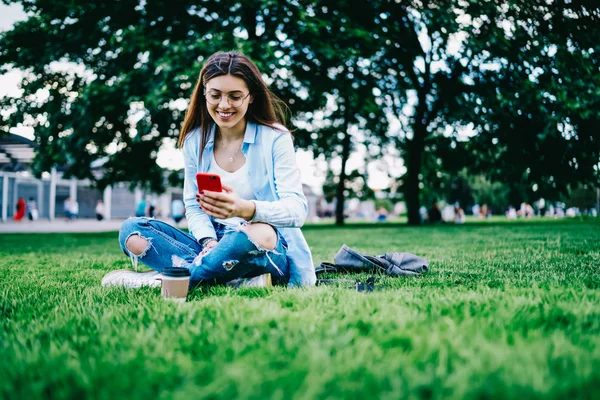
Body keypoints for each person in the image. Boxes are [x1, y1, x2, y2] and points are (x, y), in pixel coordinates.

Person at [104, 51, 315, 289]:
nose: (224, 105)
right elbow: (193, 205)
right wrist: (208, 240)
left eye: (235, 97)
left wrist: (246, 209)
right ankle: (233, 279)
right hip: (212, 243)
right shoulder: (195, 140)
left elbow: (297, 211)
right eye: (215, 95)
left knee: (258, 234)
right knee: (133, 231)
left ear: (251, 97)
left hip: (262, 242)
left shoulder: (276, 138)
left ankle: (162, 281)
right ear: (204, 93)